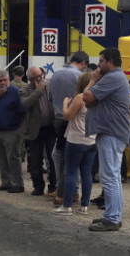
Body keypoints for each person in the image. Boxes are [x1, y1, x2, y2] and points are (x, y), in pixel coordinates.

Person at [84, 48, 130, 232]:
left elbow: (87, 96)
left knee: (110, 177)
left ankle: (112, 218)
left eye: (101, 61)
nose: (99, 65)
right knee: (113, 177)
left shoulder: (113, 77)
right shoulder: (116, 78)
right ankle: (113, 216)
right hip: (113, 133)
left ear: (110, 62)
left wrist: (93, 80)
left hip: (111, 133)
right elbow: (90, 101)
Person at [48, 51, 89, 205]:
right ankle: (68, 192)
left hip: (58, 118)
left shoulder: (55, 74)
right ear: (84, 63)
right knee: (67, 159)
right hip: (72, 120)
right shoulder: (79, 76)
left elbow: (50, 98)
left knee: (59, 156)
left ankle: (67, 191)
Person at [53, 71, 97, 215]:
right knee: (87, 172)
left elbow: (67, 115)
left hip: (76, 138)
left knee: (71, 172)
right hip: (92, 139)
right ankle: (85, 205)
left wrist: (65, 103)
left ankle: (67, 206)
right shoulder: (98, 97)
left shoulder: (80, 97)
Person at [0, 70, 26, 193]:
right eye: (0, 81)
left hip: (11, 131)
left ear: (8, 80)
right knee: (0, 158)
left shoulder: (16, 93)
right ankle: (6, 182)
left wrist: (20, 129)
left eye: (4, 80)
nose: (2, 83)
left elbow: (23, 113)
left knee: (13, 158)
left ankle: (18, 184)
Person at [19, 66, 56, 196]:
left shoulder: (51, 86)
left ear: (44, 74)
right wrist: (38, 92)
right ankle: (38, 186)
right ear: (29, 79)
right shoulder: (25, 90)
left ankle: (53, 186)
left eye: (40, 76)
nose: (38, 80)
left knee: (53, 159)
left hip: (51, 128)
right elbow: (25, 104)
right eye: (34, 78)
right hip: (35, 130)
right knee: (35, 160)